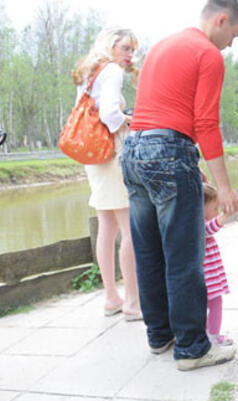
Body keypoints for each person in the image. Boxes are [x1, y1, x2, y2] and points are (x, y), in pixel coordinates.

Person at [121, 0, 238, 371]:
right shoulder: (208, 54)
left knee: (148, 251)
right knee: (183, 254)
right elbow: (206, 123)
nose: (230, 44)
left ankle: (160, 336)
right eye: (233, 35)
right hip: (169, 149)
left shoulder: (163, 44)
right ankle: (192, 348)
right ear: (222, 19)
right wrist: (223, 187)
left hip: (134, 149)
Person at [71, 26, 142, 321]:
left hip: (94, 157)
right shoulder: (110, 71)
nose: (130, 55)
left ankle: (111, 297)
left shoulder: (91, 72)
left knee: (107, 226)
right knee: (130, 230)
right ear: (111, 46)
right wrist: (132, 119)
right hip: (112, 153)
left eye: (132, 50)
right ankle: (133, 302)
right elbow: (110, 115)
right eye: (125, 48)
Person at [203, 183, 234, 345]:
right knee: (216, 304)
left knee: (207, 306)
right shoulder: (199, 225)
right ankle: (214, 336)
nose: (216, 213)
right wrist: (225, 215)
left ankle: (208, 333)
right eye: (214, 209)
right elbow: (210, 228)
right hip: (208, 278)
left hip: (210, 275)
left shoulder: (191, 223)